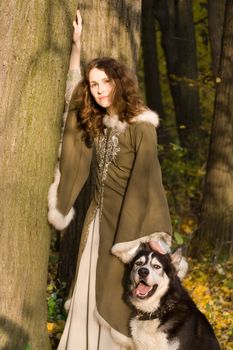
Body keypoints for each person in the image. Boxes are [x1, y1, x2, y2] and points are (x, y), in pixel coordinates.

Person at [48, 9, 173, 350]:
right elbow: (73, 95)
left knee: (115, 297)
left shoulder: (142, 126)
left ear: (119, 82)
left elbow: (149, 182)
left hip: (126, 230)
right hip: (95, 223)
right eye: (95, 84)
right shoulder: (97, 123)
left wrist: (148, 240)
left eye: (106, 82)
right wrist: (76, 47)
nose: (100, 90)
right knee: (88, 291)